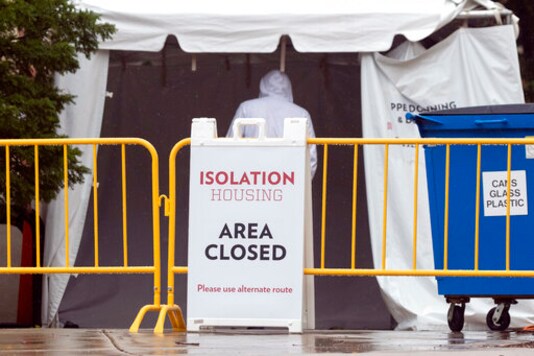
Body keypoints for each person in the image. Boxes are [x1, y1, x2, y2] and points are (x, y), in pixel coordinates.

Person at [227, 69, 317, 177]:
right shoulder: (302, 113)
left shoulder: (246, 107)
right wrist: (301, 184)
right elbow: (311, 157)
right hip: (287, 179)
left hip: (250, 177)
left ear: (262, 85)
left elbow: (229, 145)